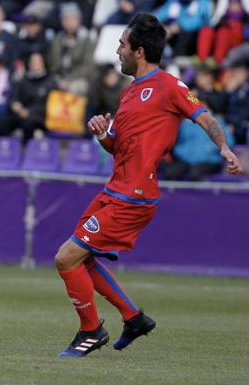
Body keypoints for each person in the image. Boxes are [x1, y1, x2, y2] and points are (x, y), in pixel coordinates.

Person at [55, 13, 243, 357]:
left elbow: (205, 117)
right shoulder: (130, 94)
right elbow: (115, 145)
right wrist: (101, 134)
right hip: (115, 189)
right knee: (81, 259)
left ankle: (91, 330)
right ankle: (133, 318)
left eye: (122, 45)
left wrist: (224, 147)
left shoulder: (170, 86)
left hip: (134, 196)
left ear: (139, 51)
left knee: (66, 258)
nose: (117, 51)